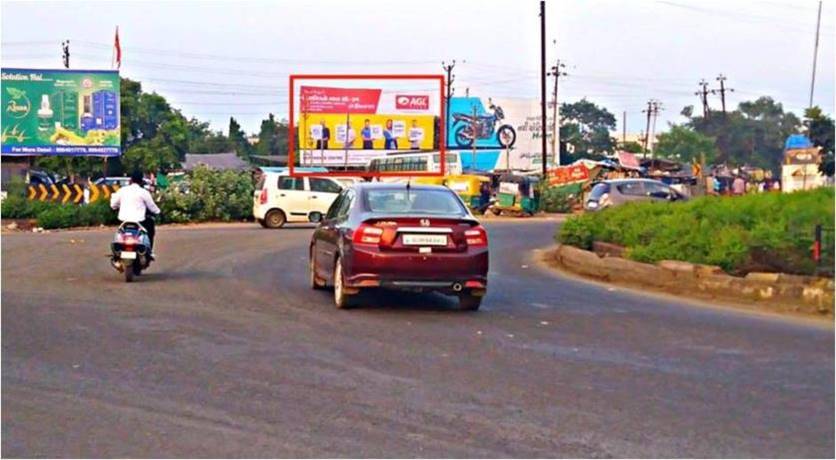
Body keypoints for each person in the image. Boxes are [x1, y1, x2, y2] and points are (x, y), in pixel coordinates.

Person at [110, 170, 161, 256]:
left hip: (123, 221)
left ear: (131, 180)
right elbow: (153, 208)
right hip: (140, 221)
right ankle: (150, 251)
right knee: (150, 227)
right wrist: (159, 212)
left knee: (119, 232)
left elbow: (113, 205)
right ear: (141, 180)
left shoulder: (122, 190)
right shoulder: (144, 192)